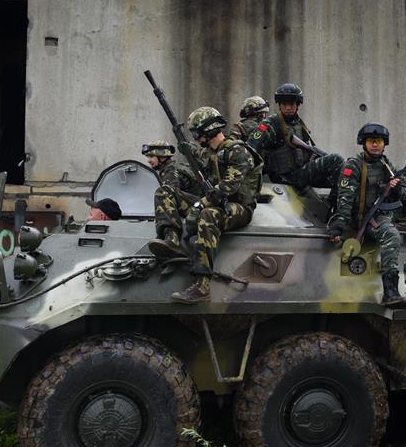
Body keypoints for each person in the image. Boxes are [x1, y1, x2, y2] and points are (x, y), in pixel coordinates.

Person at [327, 123, 406, 308]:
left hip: (381, 213)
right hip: (361, 217)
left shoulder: (385, 164)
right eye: (371, 142)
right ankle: (390, 291)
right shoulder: (353, 166)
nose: (375, 145)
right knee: (391, 235)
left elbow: (400, 188)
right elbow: (345, 199)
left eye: (379, 142)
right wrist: (338, 225)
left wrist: (395, 188)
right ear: (363, 144)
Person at [170, 107, 263, 304]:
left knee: (208, 214)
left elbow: (228, 187)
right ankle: (170, 240)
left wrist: (199, 204)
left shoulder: (238, 152)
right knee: (167, 193)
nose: (195, 137)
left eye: (196, 133)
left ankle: (202, 286)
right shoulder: (210, 152)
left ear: (208, 130)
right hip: (218, 203)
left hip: (239, 208)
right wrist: (184, 150)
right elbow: (198, 154)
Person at [247, 83, 344, 201]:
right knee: (336, 159)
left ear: (298, 105)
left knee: (344, 175)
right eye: (284, 104)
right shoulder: (271, 123)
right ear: (279, 105)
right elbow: (250, 147)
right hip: (286, 177)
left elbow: (305, 150)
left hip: (300, 173)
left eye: (291, 104)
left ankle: (332, 206)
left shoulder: (299, 124)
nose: (288, 108)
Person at [143, 140, 206, 259]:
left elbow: (169, 200)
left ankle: (172, 238)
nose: (149, 160)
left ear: (162, 157)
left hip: (198, 208)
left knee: (163, 192)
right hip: (197, 205)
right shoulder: (175, 167)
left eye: (151, 156)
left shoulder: (171, 171)